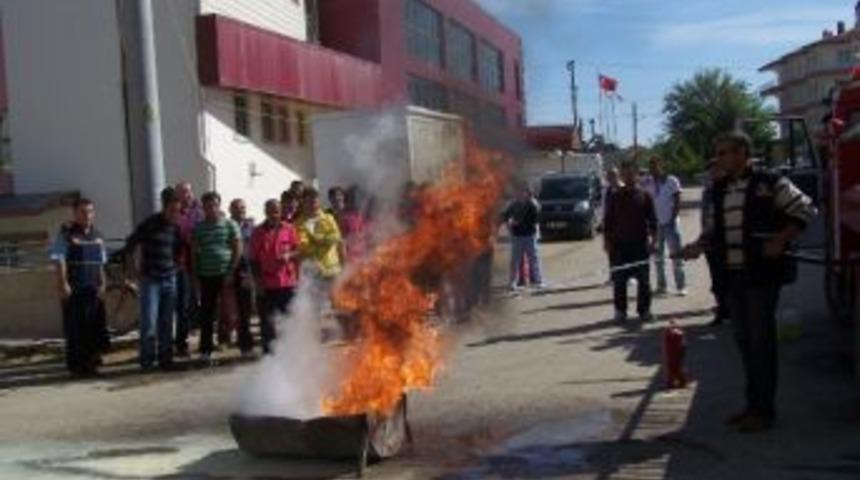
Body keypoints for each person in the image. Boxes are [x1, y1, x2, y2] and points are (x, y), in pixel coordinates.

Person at [681, 131, 816, 433]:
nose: (719, 159)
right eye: (718, 153)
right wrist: (696, 246)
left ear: (743, 152)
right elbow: (713, 232)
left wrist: (781, 240)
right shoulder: (719, 189)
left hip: (761, 277)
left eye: (725, 152)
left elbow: (806, 209)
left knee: (760, 343)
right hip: (732, 278)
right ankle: (753, 405)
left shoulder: (770, 182)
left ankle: (764, 412)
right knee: (744, 343)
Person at [123, 187, 183, 370]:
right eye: (172, 210)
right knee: (149, 322)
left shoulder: (176, 227)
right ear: (164, 207)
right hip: (151, 281)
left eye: (178, 210)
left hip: (170, 279)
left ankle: (166, 359)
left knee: (166, 322)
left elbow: (179, 249)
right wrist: (133, 270)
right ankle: (147, 361)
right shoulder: (149, 224)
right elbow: (130, 244)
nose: (175, 214)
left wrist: (177, 266)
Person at [50, 197, 110, 376]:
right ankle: (76, 367)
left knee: (94, 328)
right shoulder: (66, 234)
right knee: (76, 330)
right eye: (83, 212)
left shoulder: (98, 236)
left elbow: (101, 263)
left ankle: (91, 364)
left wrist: (103, 284)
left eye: (90, 211)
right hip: (75, 289)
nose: (87, 215)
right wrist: (63, 284)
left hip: (93, 289)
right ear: (75, 213)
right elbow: (59, 260)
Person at [604, 160, 657, 323]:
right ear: (621, 175)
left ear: (636, 174)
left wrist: (653, 242)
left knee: (644, 281)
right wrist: (607, 242)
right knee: (619, 281)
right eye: (624, 173)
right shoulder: (615, 196)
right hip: (620, 246)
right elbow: (608, 221)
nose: (627, 176)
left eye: (630, 173)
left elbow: (653, 221)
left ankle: (644, 311)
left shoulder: (645, 195)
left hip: (640, 245)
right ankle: (620, 312)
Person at [191, 192, 241, 364]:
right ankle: (206, 350)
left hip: (225, 274)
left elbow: (237, 248)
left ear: (219, 206)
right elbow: (194, 252)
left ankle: (237, 344)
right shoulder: (198, 228)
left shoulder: (230, 225)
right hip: (206, 276)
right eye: (207, 206)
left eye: (214, 205)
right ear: (203, 208)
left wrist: (230, 272)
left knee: (231, 312)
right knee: (206, 314)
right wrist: (196, 275)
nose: (211, 209)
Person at [249, 199, 300, 354]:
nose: (274, 213)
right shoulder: (258, 232)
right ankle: (269, 355)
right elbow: (253, 260)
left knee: (288, 320)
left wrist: (289, 254)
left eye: (276, 210)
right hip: (266, 284)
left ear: (280, 211)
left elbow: (298, 251)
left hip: (287, 283)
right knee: (267, 322)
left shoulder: (289, 229)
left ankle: (289, 352)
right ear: (265, 211)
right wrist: (258, 283)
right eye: (270, 210)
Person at [643, 156, 686, 296]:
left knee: (676, 255)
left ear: (661, 165)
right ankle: (662, 286)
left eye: (655, 165)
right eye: (651, 166)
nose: (653, 168)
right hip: (656, 225)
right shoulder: (648, 182)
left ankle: (681, 286)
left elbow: (678, 199)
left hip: (670, 223)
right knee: (658, 257)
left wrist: (673, 218)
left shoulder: (671, 180)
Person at [221, 198, 255, 355]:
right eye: (236, 208)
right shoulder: (225, 226)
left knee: (245, 308)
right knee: (226, 308)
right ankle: (224, 339)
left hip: (246, 271)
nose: (241, 210)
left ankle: (245, 344)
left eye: (243, 207)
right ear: (230, 210)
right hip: (228, 270)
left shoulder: (252, 227)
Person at [175, 181, 203, 357]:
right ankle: (181, 343)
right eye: (182, 192)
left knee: (202, 302)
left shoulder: (199, 211)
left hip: (203, 263)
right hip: (183, 264)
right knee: (183, 304)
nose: (185, 195)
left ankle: (205, 340)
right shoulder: (174, 213)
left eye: (187, 192)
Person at [700, 160, 730, 326]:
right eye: (710, 172)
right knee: (716, 279)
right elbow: (705, 218)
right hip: (711, 241)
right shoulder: (708, 191)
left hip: (727, 242)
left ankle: (732, 310)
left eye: (716, 171)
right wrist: (703, 239)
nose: (712, 174)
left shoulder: (730, 189)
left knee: (728, 278)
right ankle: (722, 310)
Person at [501, 186, 544, 291]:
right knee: (515, 260)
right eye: (519, 192)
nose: (521, 195)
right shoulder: (513, 204)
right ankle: (512, 282)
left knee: (534, 258)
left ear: (528, 193)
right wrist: (510, 222)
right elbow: (505, 216)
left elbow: (535, 217)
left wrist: (519, 222)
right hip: (517, 236)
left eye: (524, 192)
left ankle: (538, 280)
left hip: (529, 235)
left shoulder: (532, 204)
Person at [328, 186, 369, 263]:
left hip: (359, 252)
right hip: (341, 257)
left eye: (339, 195)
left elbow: (363, 230)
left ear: (343, 197)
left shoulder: (354, 213)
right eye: (333, 197)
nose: (337, 198)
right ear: (330, 200)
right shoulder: (329, 217)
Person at [603, 166, 624, 284]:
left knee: (624, 252)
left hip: (622, 225)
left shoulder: (623, 188)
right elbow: (605, 207)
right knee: (611, 252)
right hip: (611, 226)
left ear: (617, 176)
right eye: (608, 176)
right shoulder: (607, 190)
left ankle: (627, 277)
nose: (610, 178)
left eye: (612, 176)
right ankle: (613, 276)